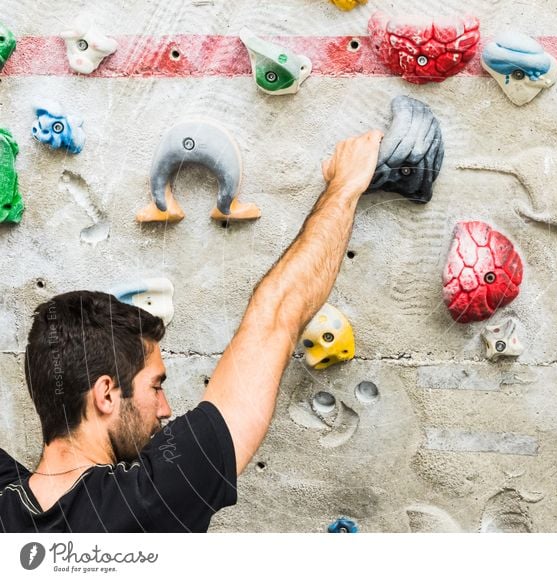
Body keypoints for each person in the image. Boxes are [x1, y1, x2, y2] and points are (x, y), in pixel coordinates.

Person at [0, 129, 383, 532]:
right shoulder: (150, 502)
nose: (165, 408)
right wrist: (345, 185)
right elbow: (276, 317)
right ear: (107, 394)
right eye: (155, 386)